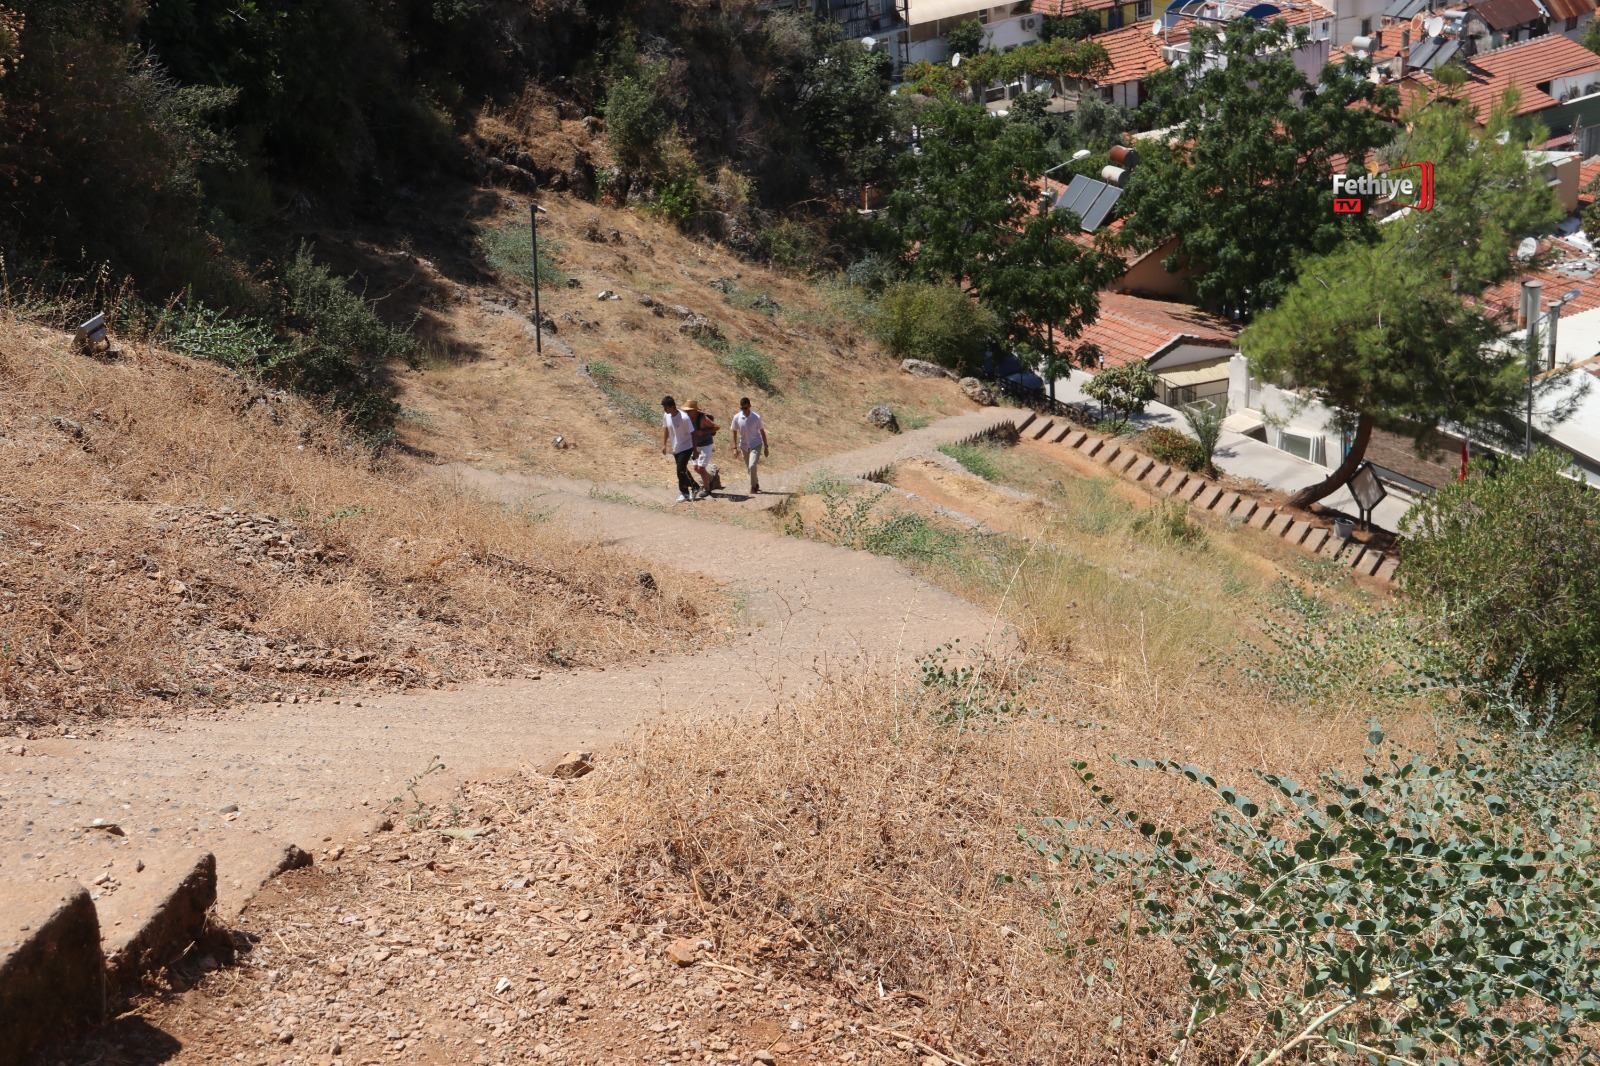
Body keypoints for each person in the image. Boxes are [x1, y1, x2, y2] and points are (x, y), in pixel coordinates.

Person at [729, 396, 769, 494]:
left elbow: (762, 432)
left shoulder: (756, 417)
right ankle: (756, 483)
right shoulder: (737, 417)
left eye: (746, 408)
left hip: (756, 444)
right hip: (744, 446)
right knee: (749, 468)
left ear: (750, 406)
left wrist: (766, 447)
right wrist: (734, 448)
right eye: (742, 408)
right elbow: (734, 431)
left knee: (752, 466)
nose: (744, 410)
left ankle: (753, 487)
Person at [660, 395, 696, 502]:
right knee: (683, 470)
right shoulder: (666, 415)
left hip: (687, 446)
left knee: (680, 470)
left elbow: (693, 434)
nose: (664, 410)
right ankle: (695, 487)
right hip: (676, 447)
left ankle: (684, 493)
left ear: (672, 406)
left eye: (666, 407)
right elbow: (666, 429)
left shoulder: (684, 418)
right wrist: (664, 444)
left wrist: (695, 450)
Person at [684, 399, 720, 499]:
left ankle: (707, 488)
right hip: (695, 445)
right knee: (696, 468)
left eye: (690, 411)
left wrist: (703, 432)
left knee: (701, 468)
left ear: (695, 410)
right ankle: (712, 478)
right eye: (687, 411)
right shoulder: (688, 418)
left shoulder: (703, 418)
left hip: (706, 445)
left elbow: (717, 427)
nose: (688, 413)